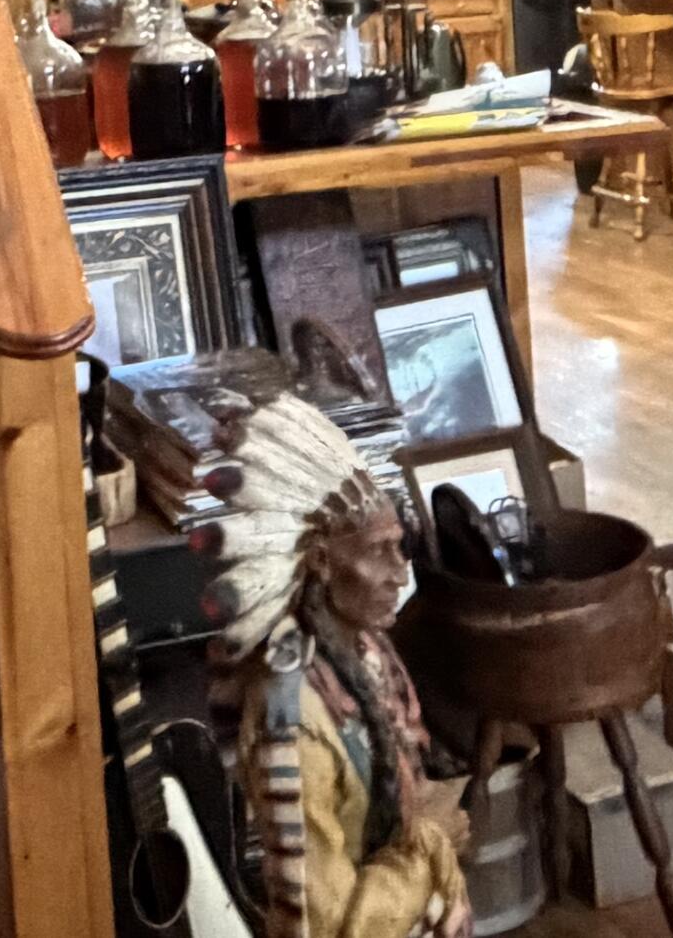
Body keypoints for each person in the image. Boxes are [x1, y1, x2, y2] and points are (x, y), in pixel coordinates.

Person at [206, 396, 471, 938]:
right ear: (323, 562)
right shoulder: (292, 725)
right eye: (378, 551)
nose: (401, 573)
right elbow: (324, 926)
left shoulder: (366, 650)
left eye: (400, 548)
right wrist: (429, 846)